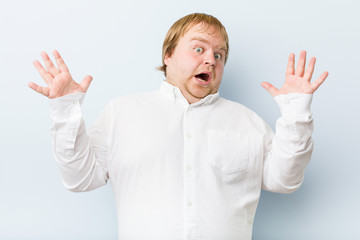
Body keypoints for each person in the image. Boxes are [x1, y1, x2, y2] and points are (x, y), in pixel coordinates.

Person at [28, 13, 328, 240]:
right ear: (167, 55)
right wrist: (65, 110)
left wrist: (295, 113)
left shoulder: (248, 123)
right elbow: (80, 179)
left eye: (219, 55)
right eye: (199, 49)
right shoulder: (121, 112)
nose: (211, 59)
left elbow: (284, 181)